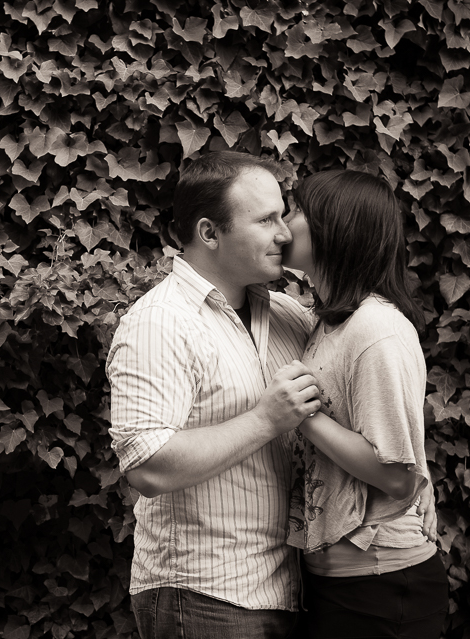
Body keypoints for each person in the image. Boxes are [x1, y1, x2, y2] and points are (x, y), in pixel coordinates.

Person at [106, 150, 323, 638]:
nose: (285, 233)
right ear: (209, 233)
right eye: (266, 220)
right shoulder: (160, 322)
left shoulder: (290, 315)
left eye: (283, 215)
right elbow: (147, 465)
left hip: (291, 592)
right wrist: (266, 419)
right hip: (203, 596)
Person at [283, 169, 448, 639]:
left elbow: (397, 475)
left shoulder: (376, 330)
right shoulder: (330, 322)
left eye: (294, 211)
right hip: (342, 581)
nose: (281, 223)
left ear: (333, 228)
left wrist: (302, 415)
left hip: (384, 585)